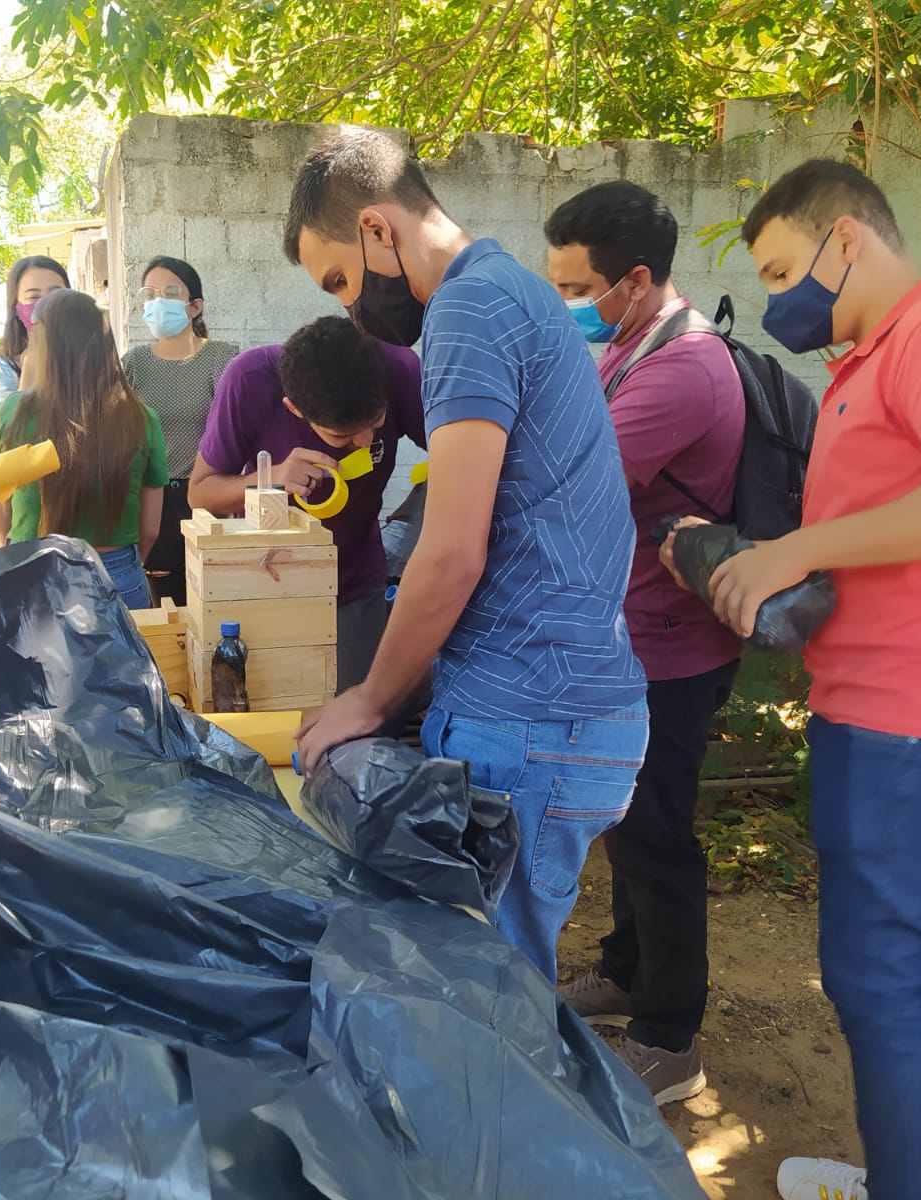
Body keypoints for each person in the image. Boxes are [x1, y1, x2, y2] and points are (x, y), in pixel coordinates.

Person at [660, 159, 921, 1200]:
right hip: (887, 709)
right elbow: (891, 534)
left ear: (845, 240)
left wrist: (797, 550)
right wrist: (753, 555)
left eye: (784, 267)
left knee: (879, 978)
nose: (780, 295)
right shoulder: (864, 364)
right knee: (873, 971)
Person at [287, 129, 648, 984]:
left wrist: (369, 700)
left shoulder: (468, 310)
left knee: (491, 1016)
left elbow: (450, 553)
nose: (349, 309)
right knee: (495, 995)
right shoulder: (509, 291)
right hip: (554, 712)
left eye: (339, 280)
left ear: (378, 229)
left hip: (529, 719)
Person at [543, 181, 745, 1106]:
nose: (567, 308)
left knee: (656, 836)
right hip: (627, 634)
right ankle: (627, 970)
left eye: (577, 289)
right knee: (624, 825)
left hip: (669, 645)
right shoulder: (629, 343)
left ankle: (670, 1035)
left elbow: (574, 478)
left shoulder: (683, 368)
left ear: (633, 278)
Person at [189, 316, 425, 691]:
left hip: (354, 584)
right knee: (278, 713)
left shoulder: (399, 368)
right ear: (294, 409)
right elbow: (200, 493)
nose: (365, 441)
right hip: (266, 583)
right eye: (341, 435)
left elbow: (463, 455)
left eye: (377, 421)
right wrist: (272, 479)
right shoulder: (250, 379)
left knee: (352, 715)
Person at [0, 290, 167, 611]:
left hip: (29, 571)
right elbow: (150, 530)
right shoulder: (142, 418)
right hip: (117, 574)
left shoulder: (10, 414)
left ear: (43, 343)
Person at [120, 256, 240, 605]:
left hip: (207, 498)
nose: (158, 302)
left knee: (211, 606)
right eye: (150, 294)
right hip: (151, 500)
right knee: (163, 612)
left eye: (170, 292)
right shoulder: (132, 363)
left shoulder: (223, 359)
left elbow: (238, 426)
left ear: (195, 306)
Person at [0, 255, 70, 421]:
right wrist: (28, 378)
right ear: (16, 308)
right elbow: (8, 439)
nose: (46, 304)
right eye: (33, 297)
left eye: (56, 294)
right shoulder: (0, 371)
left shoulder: (90, 360)